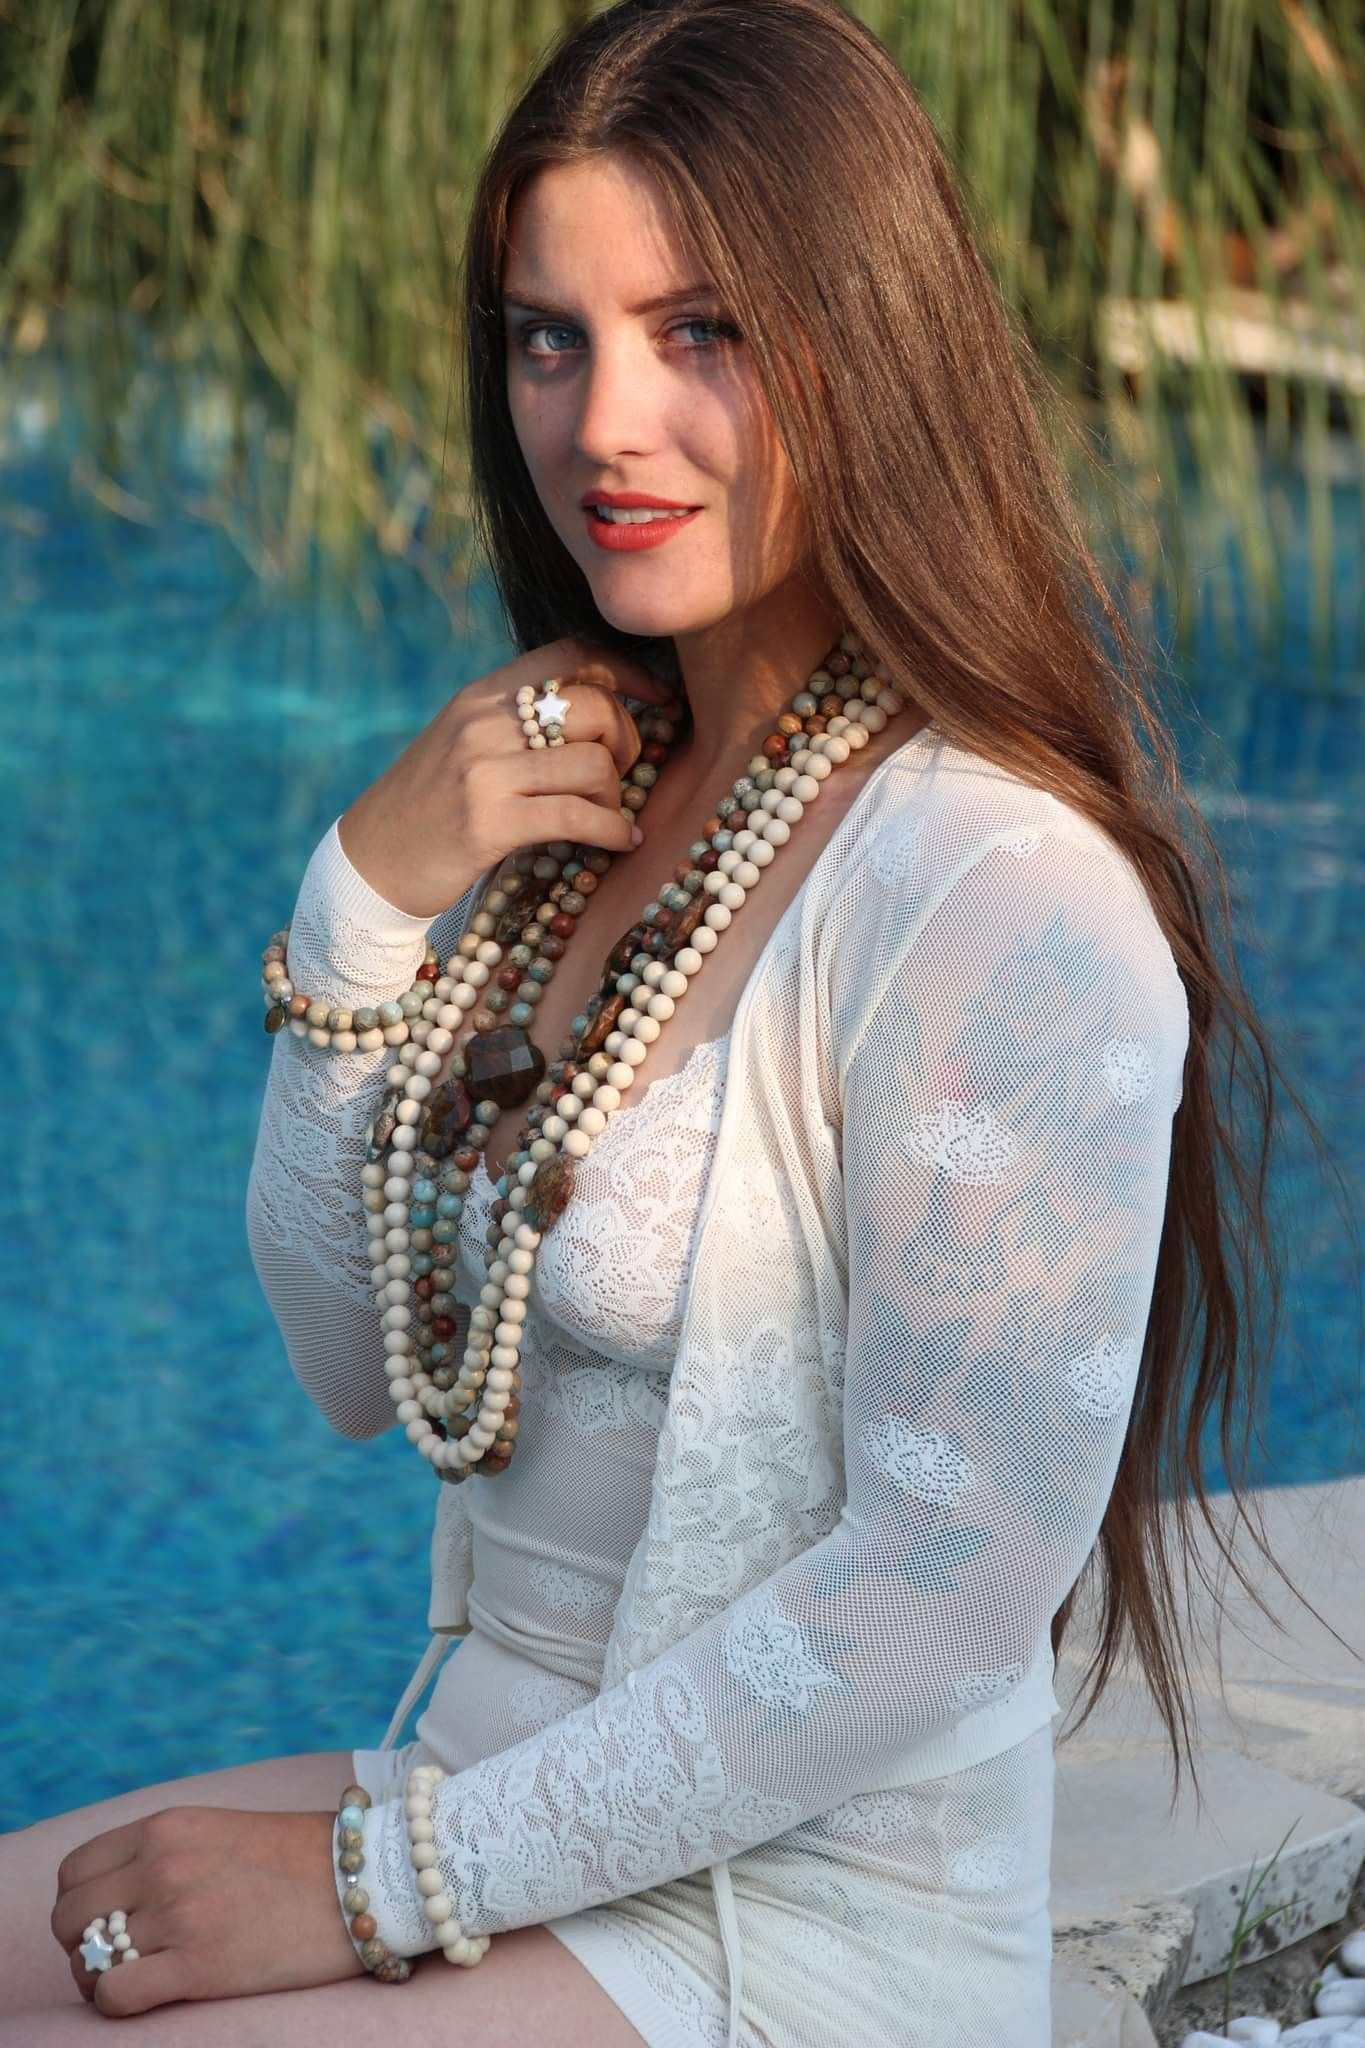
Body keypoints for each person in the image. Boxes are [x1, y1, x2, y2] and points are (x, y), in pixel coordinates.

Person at [8, 1, 1339, 2042]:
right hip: (472, 1801)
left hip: (788, 1930)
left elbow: (941, 1596)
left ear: (867, 339)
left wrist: (376, 1884)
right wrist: (360, 901)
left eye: (698, 329)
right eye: (548, 337)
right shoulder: (594, 791)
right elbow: (353, 1363)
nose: (603, 424)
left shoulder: (994, 887)